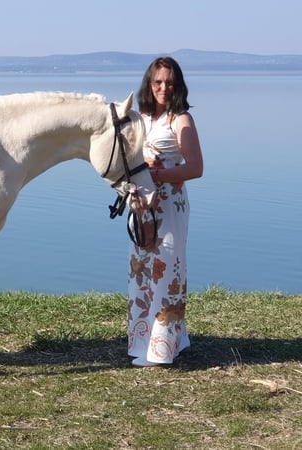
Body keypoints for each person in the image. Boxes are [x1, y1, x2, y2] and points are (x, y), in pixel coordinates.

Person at [127, 56, 204, 367]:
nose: (163, 87)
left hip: (170, 206)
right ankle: (148, 341)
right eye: (158, 82)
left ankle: (161, 351)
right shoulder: (140, 118)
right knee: (141, 271)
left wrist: (157, 175)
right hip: (142, 207)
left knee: (166, 270)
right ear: (149, 84)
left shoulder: (181, 119)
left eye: (169, 82)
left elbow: (195, 168)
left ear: (177, 85)